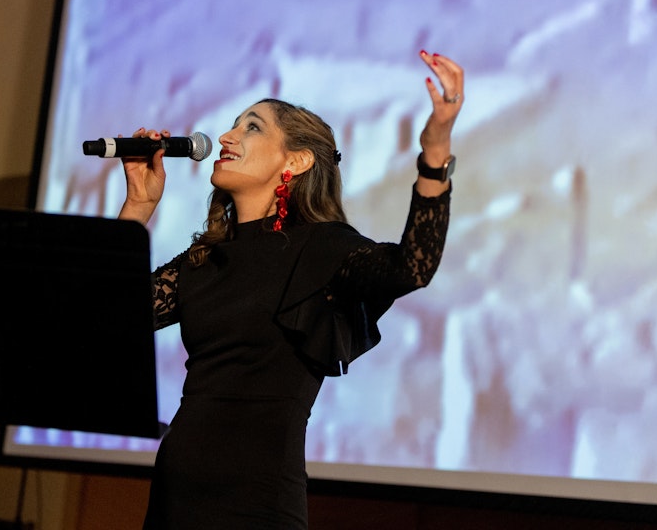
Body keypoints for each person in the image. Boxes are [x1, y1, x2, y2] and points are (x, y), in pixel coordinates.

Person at [118, 50, 464, 529]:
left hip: (257, 504)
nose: (225, 137)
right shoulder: (206, 258)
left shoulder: (323, 250)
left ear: (296, 161)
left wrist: (435, 152)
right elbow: (108, 317)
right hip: (176, 495)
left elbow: (413, 266)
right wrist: (138, 205)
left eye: (252, 127)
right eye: (234, 125)